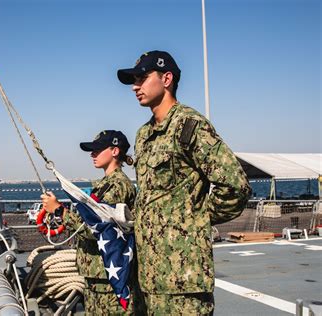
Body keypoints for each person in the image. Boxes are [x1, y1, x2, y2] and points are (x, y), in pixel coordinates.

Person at [117, 51, 252, 315]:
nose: (135, 86)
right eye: (134, 80)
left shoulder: (189, 126)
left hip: (183, 280)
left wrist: (195, 218)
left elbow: (235, 186)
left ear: (166, 78)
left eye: (142, 78)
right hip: (150, 276)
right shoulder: (144, 135)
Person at [41, 130, 137, 315]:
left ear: (115, 151)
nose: (92, 154)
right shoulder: (107, 183)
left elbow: (97, 228)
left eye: (98, 149)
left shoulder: (116, 186)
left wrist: (59, 210)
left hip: (108, 277)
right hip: (99, 274)